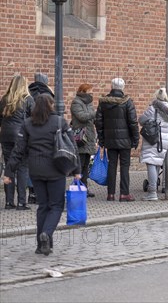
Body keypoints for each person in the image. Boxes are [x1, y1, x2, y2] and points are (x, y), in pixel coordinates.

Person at [3, 94, 81, 255]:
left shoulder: (27, 124)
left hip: (36, 171)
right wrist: (77, 171)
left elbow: (18, 150)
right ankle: (47, 234)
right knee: (56, 206)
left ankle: (42, 245)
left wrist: (9, 172)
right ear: (51, 105)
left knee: (43, 206)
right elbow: (71, 148)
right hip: (56, 169)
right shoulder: (59, 121)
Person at [95, 78, 139, 202]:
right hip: (125, 141)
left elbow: (98, 122)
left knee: (112, 166)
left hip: (110, 140)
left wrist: (102, 138)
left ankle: (111, 194)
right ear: (123, 87)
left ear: (112, 86)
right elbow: (133, 122)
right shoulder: (127, 102)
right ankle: (124, 193)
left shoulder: (104, 102)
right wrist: (135, 139)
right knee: (125, 166)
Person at [0, 75, 34, 209]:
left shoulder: (4, 100)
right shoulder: (28, 100)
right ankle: (21, 202)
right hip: (20, 136)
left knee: (9, 166)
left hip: (5, 136)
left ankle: (9, 202)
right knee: (22, 167)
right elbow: (34, 119)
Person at [139, 88, 168, 201]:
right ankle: (154, 190)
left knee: (151, 163)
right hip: (164, 140)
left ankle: (152, 192)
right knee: (156, 162)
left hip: (153, 139)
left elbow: (141, 120)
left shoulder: (153, 108)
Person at [70, 83, 98, 198]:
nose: (92, 94)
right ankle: (78, 187)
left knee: (86, 165)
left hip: (89, 136)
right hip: (81, 137)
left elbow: (91, 117)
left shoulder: (89, 103)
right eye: (89, 92)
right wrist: (95, 113)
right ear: (83, 92)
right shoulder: (76, 102)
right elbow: (82, 116)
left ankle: (84, 187)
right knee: (80, 164)